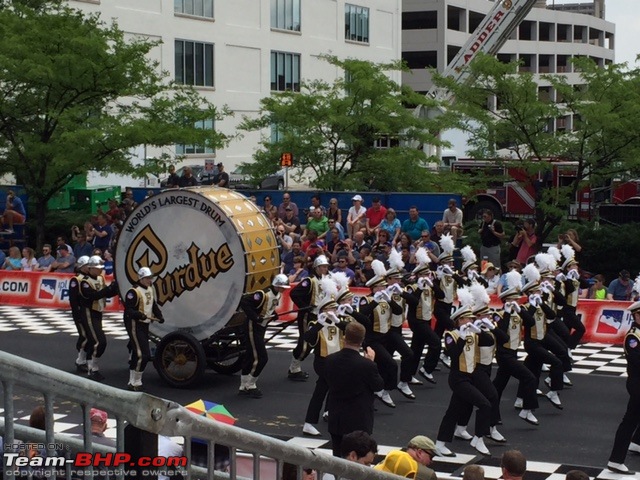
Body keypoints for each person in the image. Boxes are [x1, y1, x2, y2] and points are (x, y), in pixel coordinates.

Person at [325, 321, 383, 457]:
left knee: (337, 459)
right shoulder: (366, 365)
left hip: (336, 419)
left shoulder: (329, 360)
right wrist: (370, 362)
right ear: (362, 341)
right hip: (359, 421)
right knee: (357, 461)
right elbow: (378, 386)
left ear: (344, 337)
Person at [302, 278, 349, 437]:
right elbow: (308, 338)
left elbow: (352, 330)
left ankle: (329, 413)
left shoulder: (338, 321)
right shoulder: (316, 323)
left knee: (334, 388)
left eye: (335, 309)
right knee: (322, 390)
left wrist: (337, 321)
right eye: (331, 310)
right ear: (323, 311)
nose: (334, 312)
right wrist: (319, 324)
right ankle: (309, 422)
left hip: (337, 360)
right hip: (323, 362)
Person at [238, 274, 290, 398]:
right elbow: (244, 302)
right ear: (276, 285)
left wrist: (274, 314)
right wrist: (255, 317)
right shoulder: (262, 294)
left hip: (261, 327)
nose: (283, 289)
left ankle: (243, 385)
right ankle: (250, 385)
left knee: (251, 355)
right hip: (253, 326)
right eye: (281, 287)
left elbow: (269, 307)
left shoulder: (277, 294)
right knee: (261, 357)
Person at [607, 299, 640, 474]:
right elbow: (637, 361)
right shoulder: (633, 337)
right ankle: (616, 460)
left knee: (632, 418)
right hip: (637, 383)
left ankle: (636, 443)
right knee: (629, 422)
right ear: (636, 315)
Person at [124, 267, 165, 391]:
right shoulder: (133, 292)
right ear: (141, 278)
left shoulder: (150, 289)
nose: (149, 280)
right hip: (135, 324)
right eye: (147, 278)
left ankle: (135, 381)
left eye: (150, 278)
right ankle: (134, 382)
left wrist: (159, 315)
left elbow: (152, 304)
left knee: (140, 353)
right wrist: (139, 315)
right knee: (143, 354)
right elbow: (129, 310)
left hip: (145, 324)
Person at [80, 255, 119, 381]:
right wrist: (108, 289)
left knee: (96, 341)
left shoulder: (100, 278)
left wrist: (115, 288)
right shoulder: (85, 282)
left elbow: (105, 293)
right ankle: (93, 367)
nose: (100, 270)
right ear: (90, 268)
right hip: (89, 312)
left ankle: (92, 366)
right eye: (97, 268)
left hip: (98, 312)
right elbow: (94, 296)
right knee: (99, 341)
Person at [373, 435, 437, 480]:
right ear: (419, 452)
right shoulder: (427, 475)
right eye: (431, 456)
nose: (431, 461)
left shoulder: (392, 456)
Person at [70, 256, 91, 372]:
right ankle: (80, 360)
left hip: (88, 311)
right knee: (84, 336)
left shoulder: (89, 278)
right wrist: (77, 313)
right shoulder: (76, 280)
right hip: (80, 311)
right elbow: (73, 299)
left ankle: (85, 359)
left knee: (89, 336)